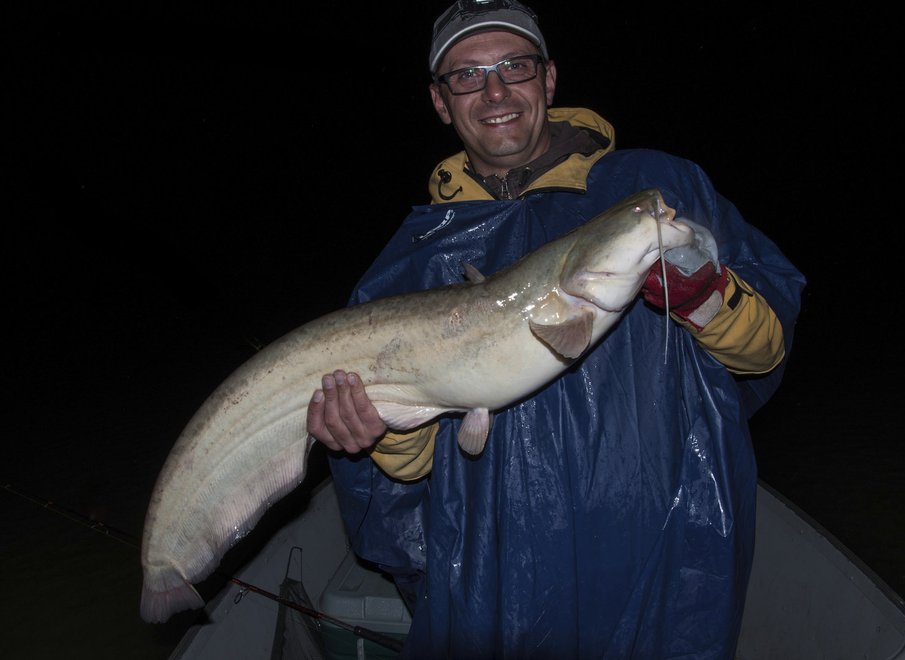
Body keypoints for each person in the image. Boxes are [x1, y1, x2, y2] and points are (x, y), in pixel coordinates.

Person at [306, 1, 805, 657]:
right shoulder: (409, 264)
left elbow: (765, 351)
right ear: (439, 100)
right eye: (468, 75)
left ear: (547, 79)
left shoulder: (657, 186)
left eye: (515, 66)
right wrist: (375, 432)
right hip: (498, 585)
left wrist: (705, 298)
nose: (494, 91)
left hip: (663, 553)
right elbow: (406, 483)